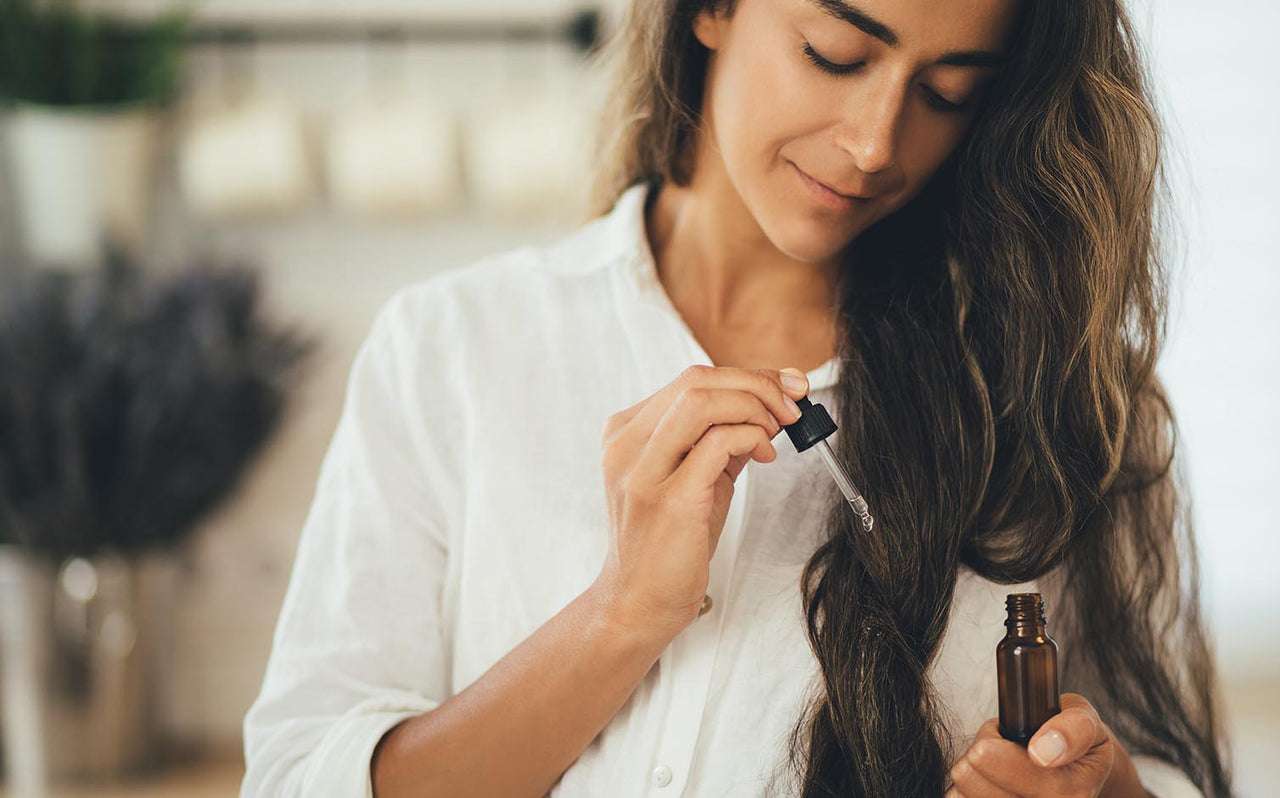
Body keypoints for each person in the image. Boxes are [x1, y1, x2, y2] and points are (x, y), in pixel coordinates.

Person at [241, 0, 1235, 795]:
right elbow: (299, 779)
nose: (873, 142)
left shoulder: (1070, 408)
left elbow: (1156, 770)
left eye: (946, 94)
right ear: (709, 10)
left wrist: (1096, 794)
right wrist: (619, 616)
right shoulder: (453, 350)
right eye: (836, 52)